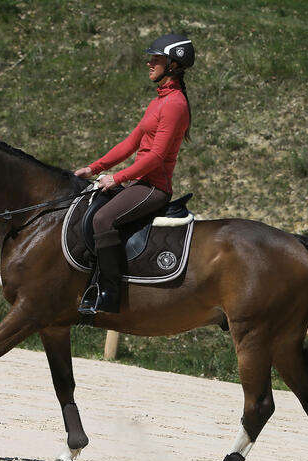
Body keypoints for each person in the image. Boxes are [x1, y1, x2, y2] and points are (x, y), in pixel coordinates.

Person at [75, 34, 195, 315]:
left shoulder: (175, 104)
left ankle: (109, 292)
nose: (149, 63)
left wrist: (116, 178)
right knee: (91, 206)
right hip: (140, 181)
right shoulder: (159, 101)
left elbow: (156, 157)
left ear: (173, 64)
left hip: (154, 187)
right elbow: (131, 143)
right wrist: (95, 168)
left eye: (156, 59)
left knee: (104, 219)